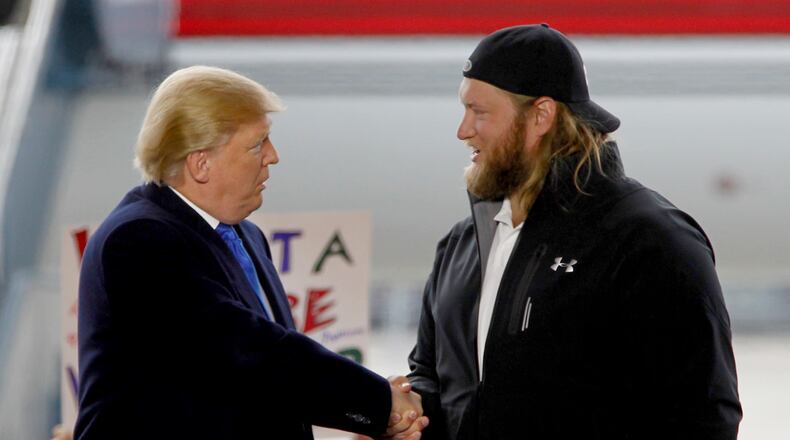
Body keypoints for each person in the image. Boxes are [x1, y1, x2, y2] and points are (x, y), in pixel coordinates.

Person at [406, 24, 742, 440]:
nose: (463, 130)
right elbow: (433, 380)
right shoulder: (461, 247)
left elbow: (703, 416)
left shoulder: (649, 240)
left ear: (541, 116)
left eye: (480, 112)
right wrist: (406, 414)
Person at [73, 66, 427, 440]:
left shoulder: (246, 236)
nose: (273, 156)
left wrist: (376, 410)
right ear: (201, 163)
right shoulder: (139, 239)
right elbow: (249, 353)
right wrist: (378, 402)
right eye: (257, 144)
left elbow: (269, 382)